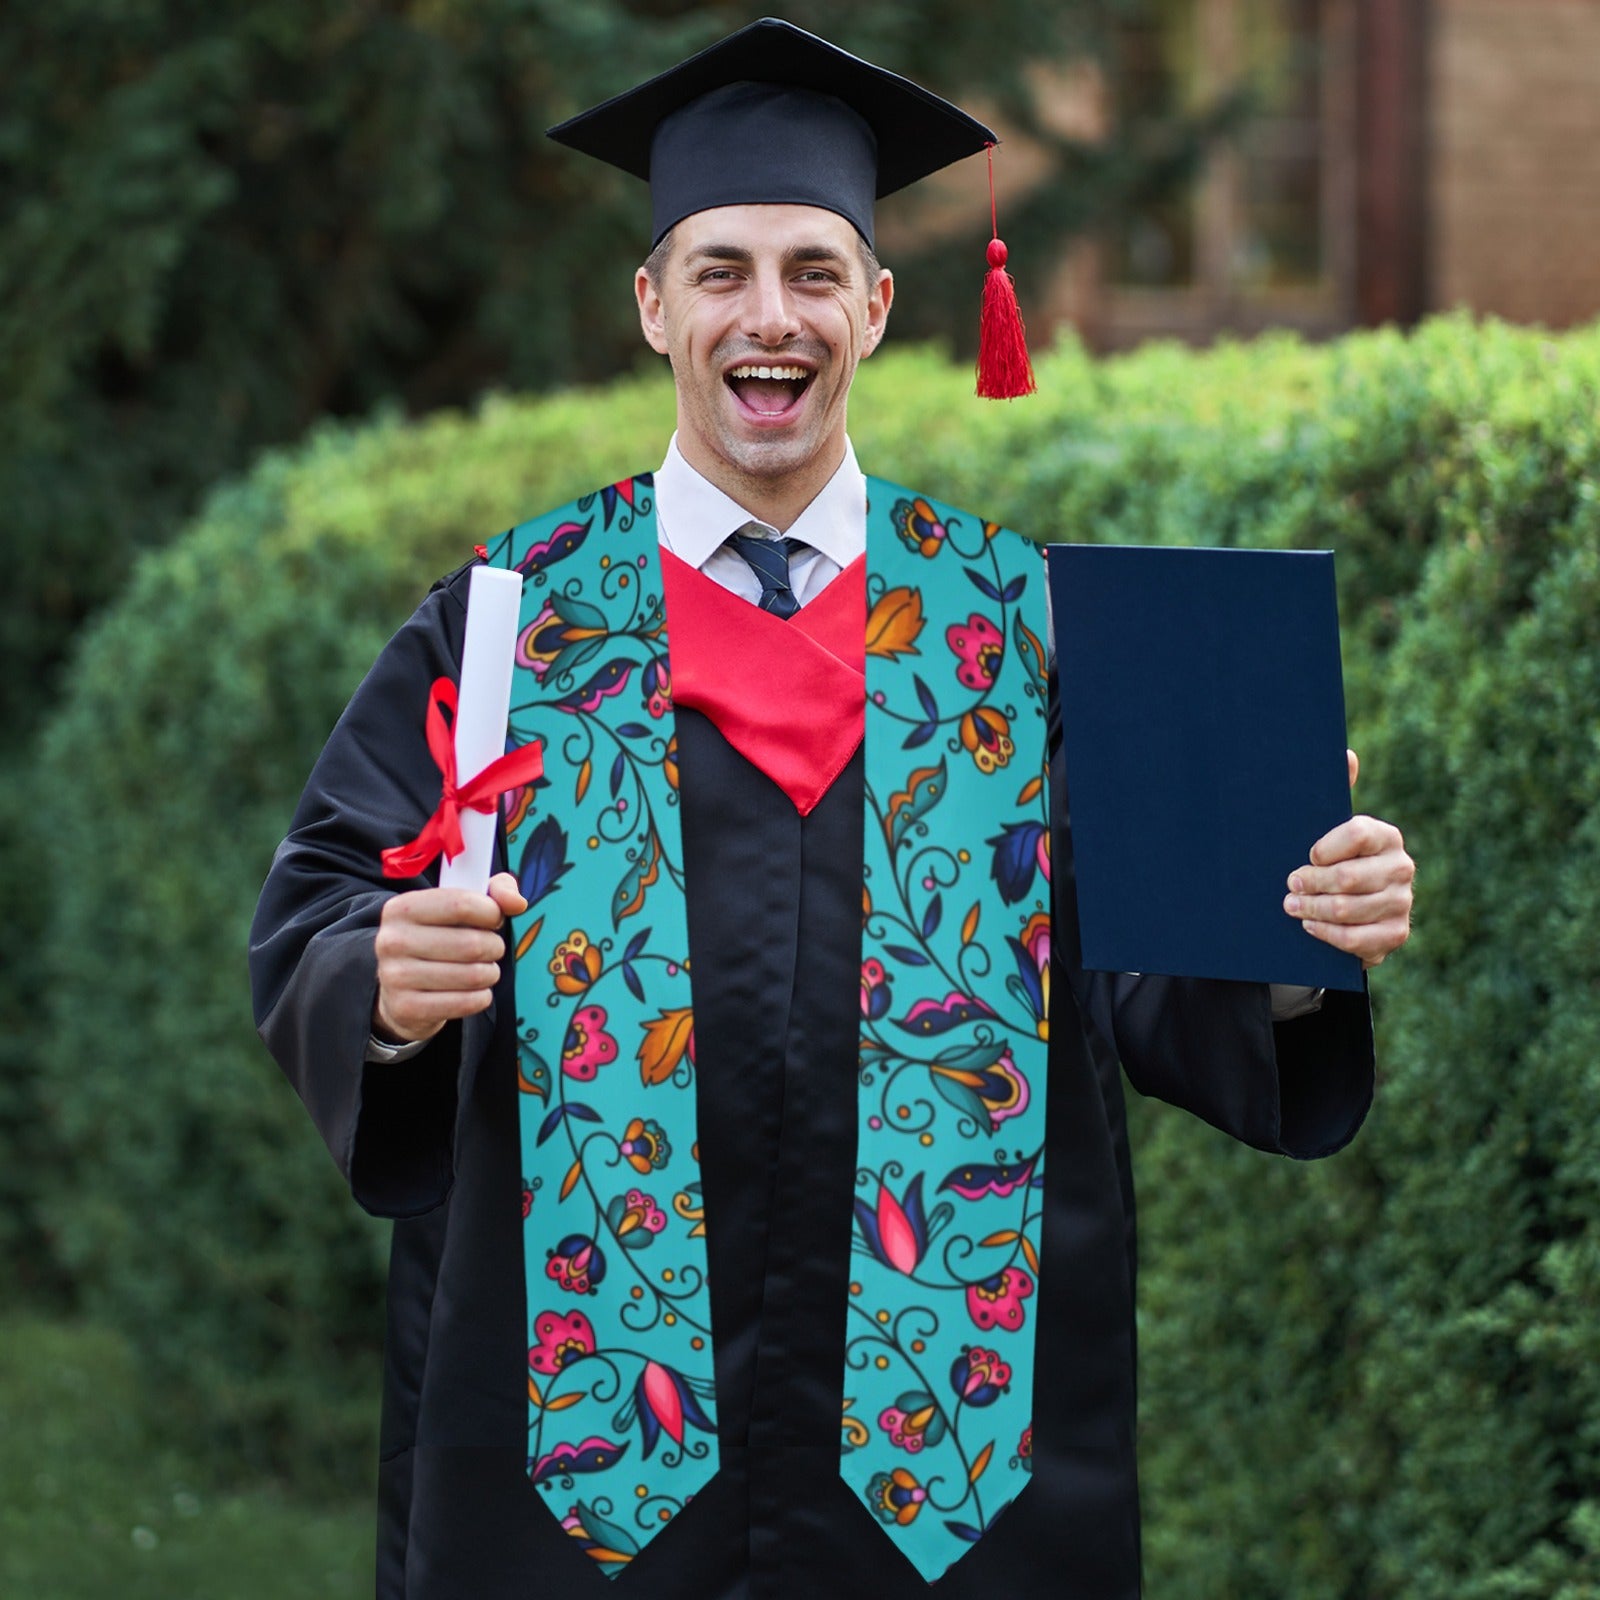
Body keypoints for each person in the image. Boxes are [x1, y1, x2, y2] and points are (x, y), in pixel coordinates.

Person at [249, 19, 1414, 1600]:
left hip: (956, 1470)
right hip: (588, 1469)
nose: (768, 316)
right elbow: (323, 902)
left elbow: (1148, 975)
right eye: (721, 270)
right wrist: (380, 984)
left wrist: (1292, 933)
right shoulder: (516, 627)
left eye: (812, 270)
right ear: (654, 305)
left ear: (876, 305)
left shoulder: (1025, 629)